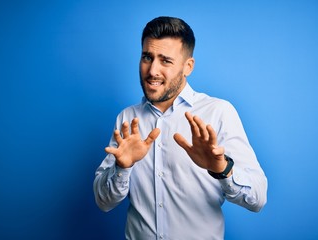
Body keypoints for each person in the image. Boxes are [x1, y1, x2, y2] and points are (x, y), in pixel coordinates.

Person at [93, 16, 267, 240]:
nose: (152, 70)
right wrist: (121, 168)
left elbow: (258, 198)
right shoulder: (128, 119)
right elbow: (103, 202)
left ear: (188, 66)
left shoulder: (218, 113)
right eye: (147, 57)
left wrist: (222, 169)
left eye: (165, 61)